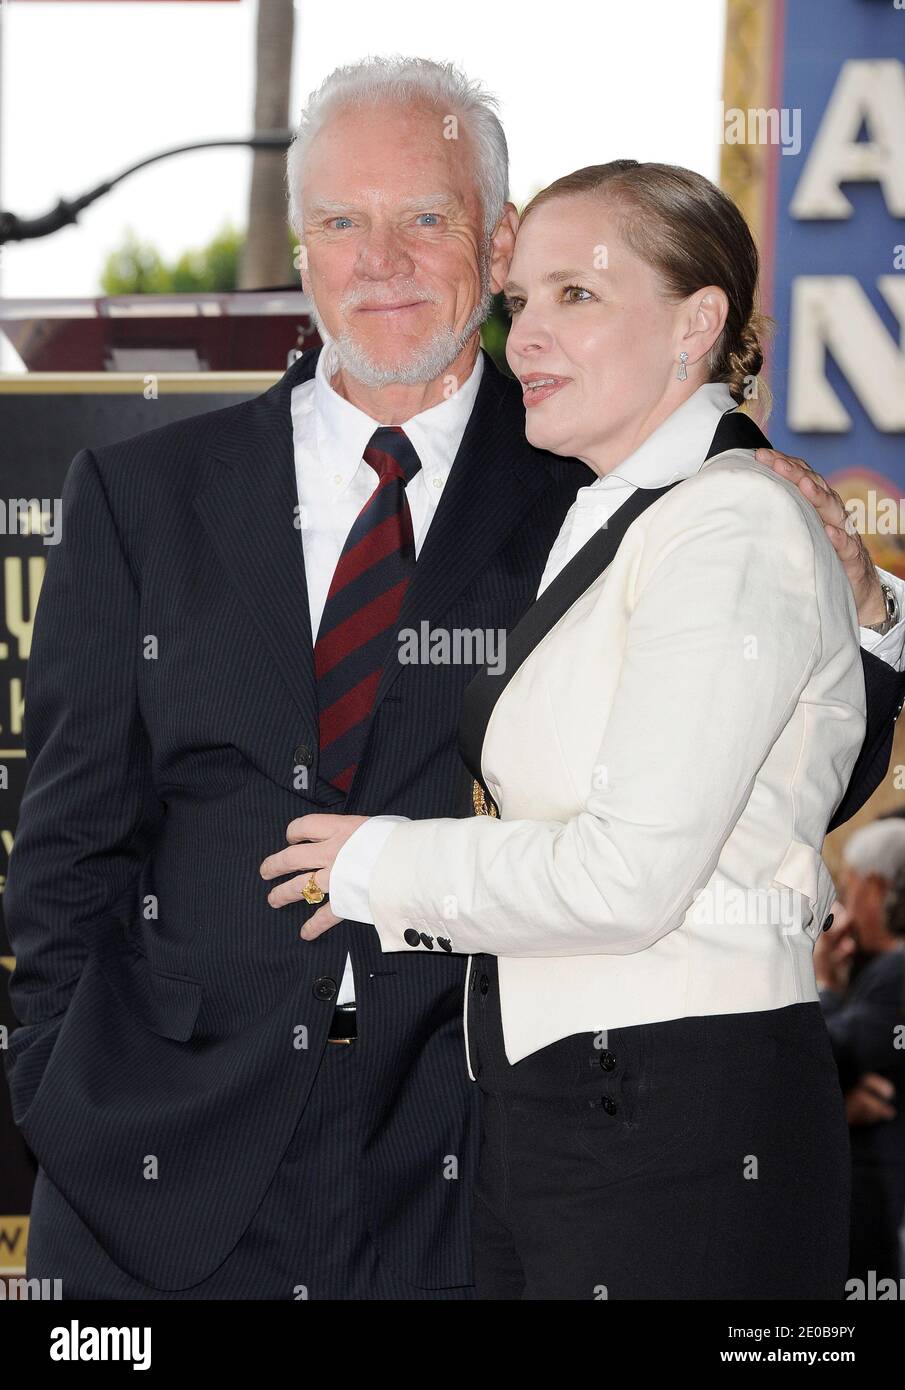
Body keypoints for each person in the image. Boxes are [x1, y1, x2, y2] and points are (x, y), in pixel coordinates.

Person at [4, 59, 904, 1302]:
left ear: (493, 246)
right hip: (156, 1184)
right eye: (339, 222)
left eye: (422, 218)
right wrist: (60, 1088)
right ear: (302, 254)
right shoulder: (141, 496)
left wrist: (860, 611)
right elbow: (64, 848)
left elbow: (779, 777)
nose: (379, 259)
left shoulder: (604, 492)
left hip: (471, 1182)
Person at [264, 157, 905, 1300]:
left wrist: (374, 861)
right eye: (522, 303)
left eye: (577, 294)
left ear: (694, 324)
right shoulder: (622, 510)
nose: (527, 340)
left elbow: (626, 875)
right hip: (571, 1109)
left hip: (672, 1120)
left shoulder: (729, 525)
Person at [816, 820, 905, 1283]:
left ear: (873, 887)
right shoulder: (880, 970)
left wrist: (824, 984)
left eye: (848, 887)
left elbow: (825, 1059)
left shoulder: (897, 972)